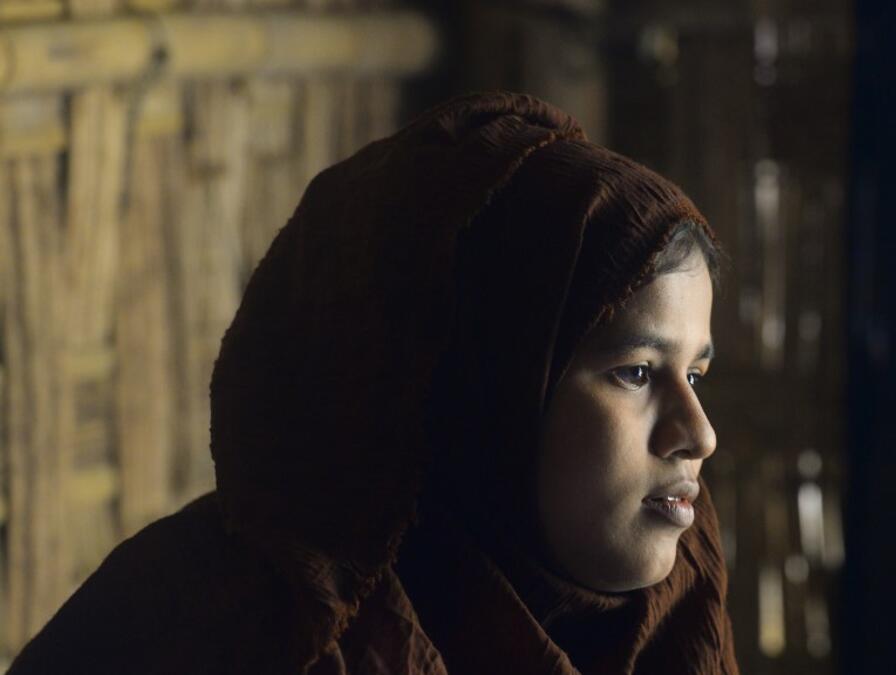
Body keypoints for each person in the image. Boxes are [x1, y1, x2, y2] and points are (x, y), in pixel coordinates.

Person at [9, 91, 739, 674]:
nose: (698, 434)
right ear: (486, 391)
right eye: (636, 372)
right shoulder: (206, 625)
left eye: (695, 373)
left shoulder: (672, 625)